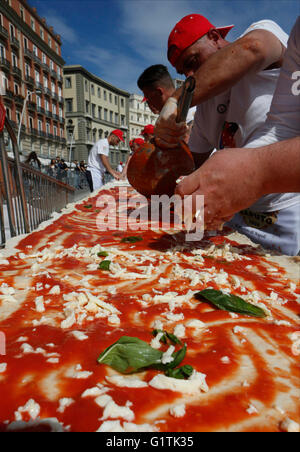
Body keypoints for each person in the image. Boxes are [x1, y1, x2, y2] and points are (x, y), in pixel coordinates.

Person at [154, 13, 300, 255]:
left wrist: (177, 99)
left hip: (286, 209)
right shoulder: (203, 107)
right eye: (184, 72)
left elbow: (254, 48)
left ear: (214, 37)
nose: (191, 75)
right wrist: (164, 150)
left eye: (192, 61)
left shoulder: (260, 32)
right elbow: (191, 164)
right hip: (234, 215)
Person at [137, 64, 196, 133]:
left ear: (159, 92)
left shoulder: (188, 114)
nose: (149, 103)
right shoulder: (166, 119)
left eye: (148, 97)